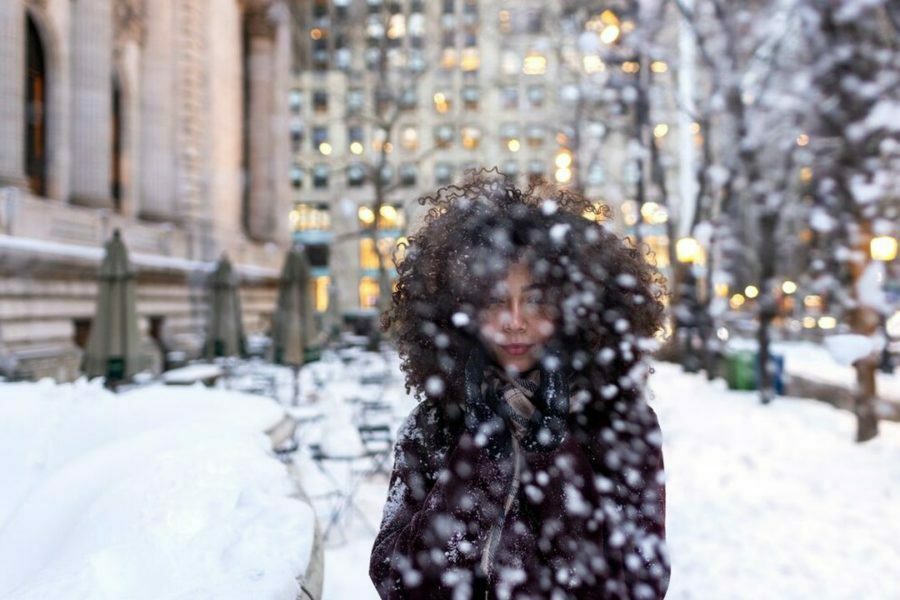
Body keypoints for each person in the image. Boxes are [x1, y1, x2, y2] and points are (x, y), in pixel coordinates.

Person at [370, 174, 670, 599]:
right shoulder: (433, 423)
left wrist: (551, 457)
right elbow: (396, 582)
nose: (514, 320)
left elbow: (638, 586)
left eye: (535, 299)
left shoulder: (622, 426)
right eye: (494, 299)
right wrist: (477, 460)